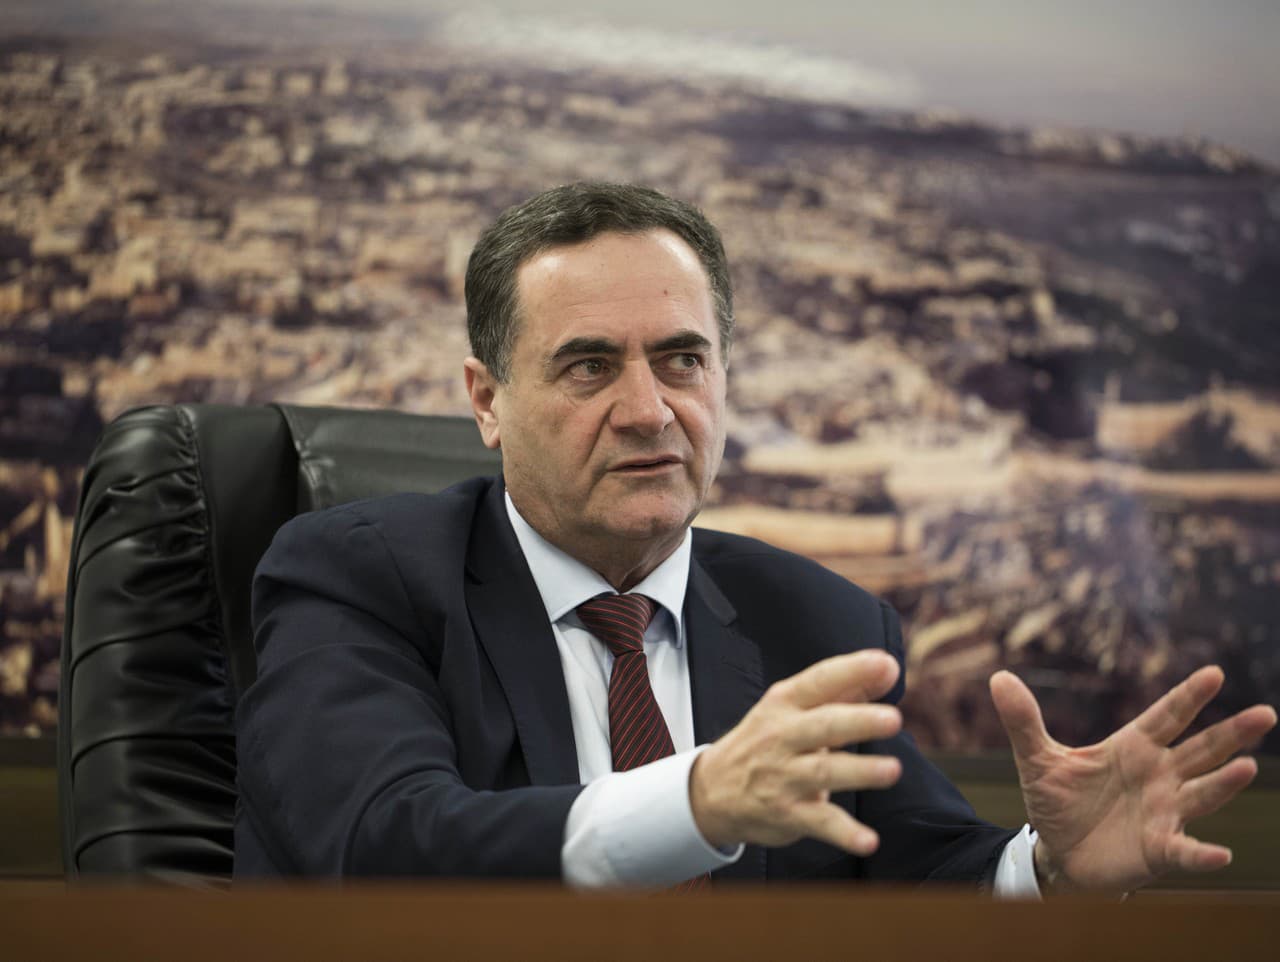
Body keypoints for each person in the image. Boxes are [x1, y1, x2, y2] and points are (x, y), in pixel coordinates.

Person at [234, 183, 1276, 892]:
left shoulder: (817, 620)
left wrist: (1043, 867)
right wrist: (695, 802)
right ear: (486, 399)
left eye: (681, 360)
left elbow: (919, 870)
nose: (649, 410)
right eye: (589, 366)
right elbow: (384, 844)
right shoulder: (358, 577)